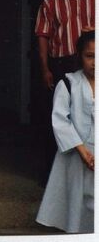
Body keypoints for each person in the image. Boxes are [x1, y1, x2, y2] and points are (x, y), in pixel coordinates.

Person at [34, 0, 95, 184]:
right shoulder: (51, 3)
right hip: (62, 63)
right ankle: (53, 177)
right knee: (58, 118)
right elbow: (42, 36)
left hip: (91, 61)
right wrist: (45, 69)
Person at [36, 30, 95, 233]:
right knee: (78, 198)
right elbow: (60, 120)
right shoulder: (69, 83)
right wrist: (81, 150)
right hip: (77, 153)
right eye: (90, 56)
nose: (95, 62)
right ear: (80, 56)